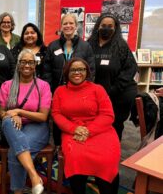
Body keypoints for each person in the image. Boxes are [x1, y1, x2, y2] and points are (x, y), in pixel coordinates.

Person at [51, 58, 120, 194]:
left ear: (87, 72)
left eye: (81, 69)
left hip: (100, 131)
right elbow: (56, 114)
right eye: (73, 70)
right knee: (76, 157)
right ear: (67, 73)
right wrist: (73, 129)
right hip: (72, 132)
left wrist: (89, 131)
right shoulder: (60, 91)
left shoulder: (97, 89)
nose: (77, 73)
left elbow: (108, 115)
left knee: (106, 158)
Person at [0, 49, 51, 194]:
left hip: (37, 126)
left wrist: (19, 112)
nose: (27, 65)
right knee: (8, 121)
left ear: (35, 65)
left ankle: (18, 192)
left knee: (15, 150)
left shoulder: (43, 86)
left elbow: (43, 117)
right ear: (18, 64)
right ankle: (34, 176)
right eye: (23, 62)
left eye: (30, 62)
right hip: (12, 126)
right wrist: (12, 115)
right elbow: (1, 112)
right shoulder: (7, 85)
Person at [42, 13, 95, 146]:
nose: (68, 26)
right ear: (61, 26)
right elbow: (46, 70)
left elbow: (91, 70)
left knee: (76, 119)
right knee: (58, 120)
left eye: (71, 23)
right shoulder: (53, 46)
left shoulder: (85, 46)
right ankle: (58, 149)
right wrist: (50, 91)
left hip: (78, 91)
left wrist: (86, 91)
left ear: (76, 26)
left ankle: (75, 149)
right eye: (65, 23)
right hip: (58, 91)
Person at [88, 13, 137, 140]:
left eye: (110, 26)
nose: (106, 28)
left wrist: (114, 89)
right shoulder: (90, 44)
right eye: (103, 25)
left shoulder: (121, 45)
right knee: (96, 124)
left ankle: (113, 153)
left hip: (118, 94)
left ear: (115, 28)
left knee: (114, 126)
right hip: (97, 94)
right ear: (98, 26)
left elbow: (131, 68)